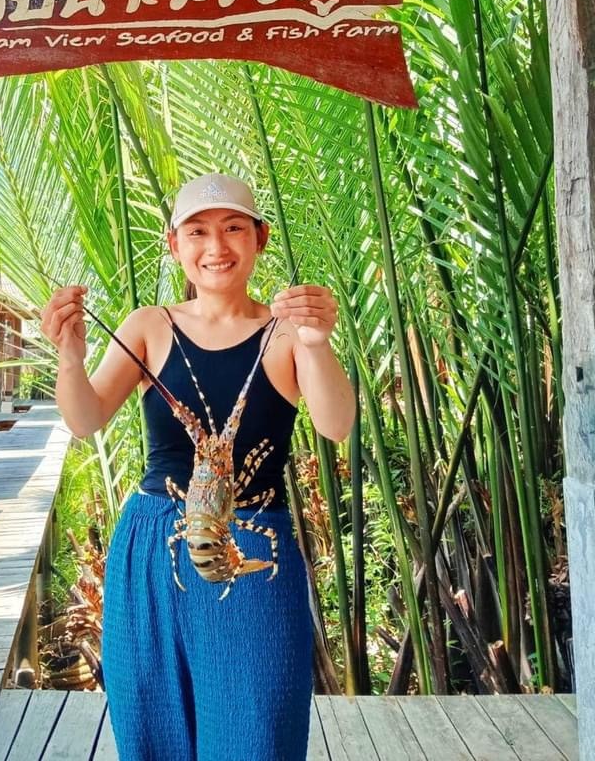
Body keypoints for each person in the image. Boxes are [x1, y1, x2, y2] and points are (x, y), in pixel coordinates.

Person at [41, 173, 356, 761]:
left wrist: (316, 341)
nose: (217, 247)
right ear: (174, 243)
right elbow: (85, 419)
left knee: (258, 727)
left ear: (259, 238)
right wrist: (69, 353)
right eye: (199, 231)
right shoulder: (146, 326)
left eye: (234, 228)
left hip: (253, 544)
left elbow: (335, 424)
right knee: (151, 720)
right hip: (154, 537)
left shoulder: (287, 331)